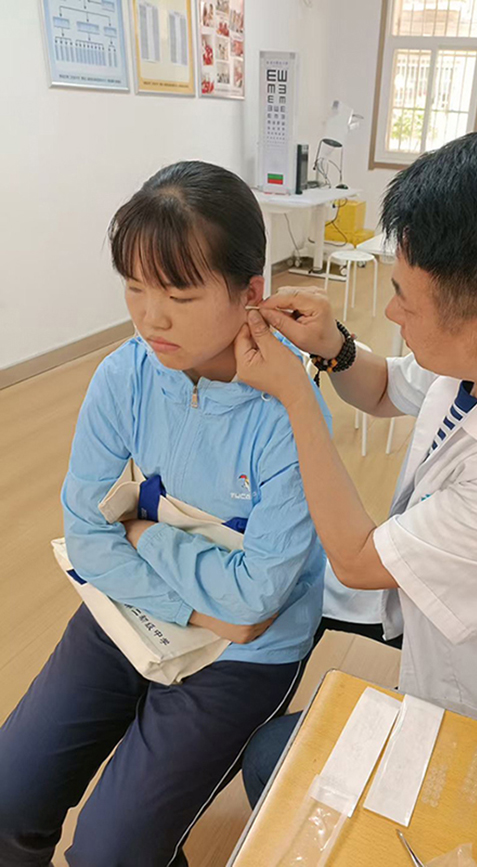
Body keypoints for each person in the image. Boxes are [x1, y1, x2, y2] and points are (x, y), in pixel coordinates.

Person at [236, 125, 477, 807]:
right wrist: (333, 346)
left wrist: (298, 395)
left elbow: (359, 560)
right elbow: (387, 388)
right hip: (440, 600)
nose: (390, 310)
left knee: (273, 760)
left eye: (404, 299)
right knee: (284, 596)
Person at [0, 161, 328, 866]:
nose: (152, 316)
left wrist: (144, 534)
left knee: (112, 850)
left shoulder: (287, 411)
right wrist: (200, 606)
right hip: (141, 610)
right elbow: (87, 535)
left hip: (248, 652)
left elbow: (259, 602)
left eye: (179, 293)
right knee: (10, 790)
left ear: (250, 293)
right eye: (135, 286)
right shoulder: (125, 373)